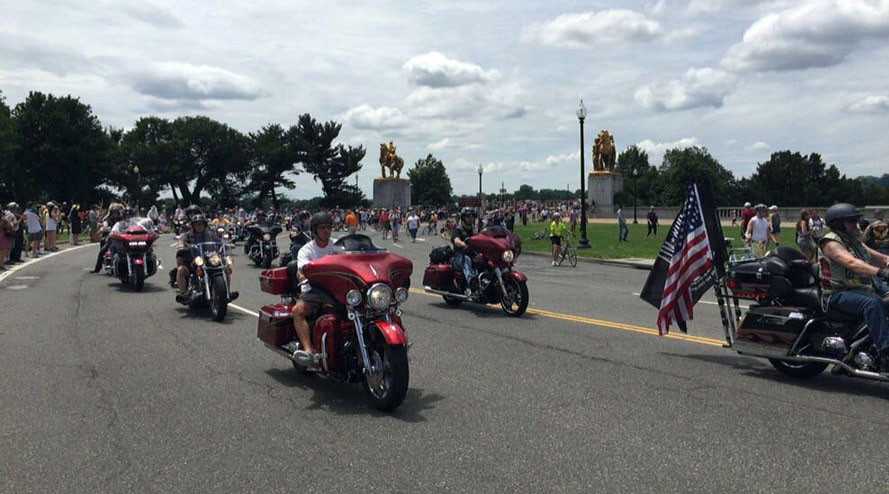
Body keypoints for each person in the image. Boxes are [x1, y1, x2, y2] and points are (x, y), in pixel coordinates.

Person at [817, 203, 889, 371]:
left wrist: (887, 262)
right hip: (837, 293)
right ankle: (886, 352)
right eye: (851, 222)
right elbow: (851, 263)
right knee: (873, 303)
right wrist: (881, 272)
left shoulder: (854, 241)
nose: (856, 225)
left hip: (862, 290)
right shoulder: (830, 242)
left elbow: (881, 257)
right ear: (839, 224)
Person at [291, 212, 338, 367]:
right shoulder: (306, 250)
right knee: (298, 310)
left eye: (328, 227)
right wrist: (303, 276)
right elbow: (301, 270)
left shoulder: (338, 246)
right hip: (314, 290)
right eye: (322, 228)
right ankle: (308, 351)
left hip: (336, 290)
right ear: (315, 230)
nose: (326, 230)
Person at [174, 214, 233, 304]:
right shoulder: (188, 235)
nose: (199, 226)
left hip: (210, 259)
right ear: (193, 225)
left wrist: (227, 244)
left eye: (201, 224)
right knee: (181, 270)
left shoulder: (211, 234)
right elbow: (182, 241)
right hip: (194, 261)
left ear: (205, 225)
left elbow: (219, 241)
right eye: (197, 224)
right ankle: (184, 294)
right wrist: (181, 244)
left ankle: (227, 293)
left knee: (225, 268)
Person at [451, 208, 477, 296]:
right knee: (466, 260)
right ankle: (471, 286)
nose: (471, 218)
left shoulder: (475, 230)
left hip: (473, 254)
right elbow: (456, 240)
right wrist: (463, 244)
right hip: (459, 256)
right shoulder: (458, 230)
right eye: (468, 216)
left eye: (473, 216)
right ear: (463, 217)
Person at [91, 204, 123, 272]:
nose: (115, 214)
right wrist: (103, 229)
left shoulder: (122, 220)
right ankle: (97, 268)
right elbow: (104, 225)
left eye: (116, 213)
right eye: (113, 213)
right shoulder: (108, 220)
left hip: (123, 238)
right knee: (103, 250)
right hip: (112, 238)